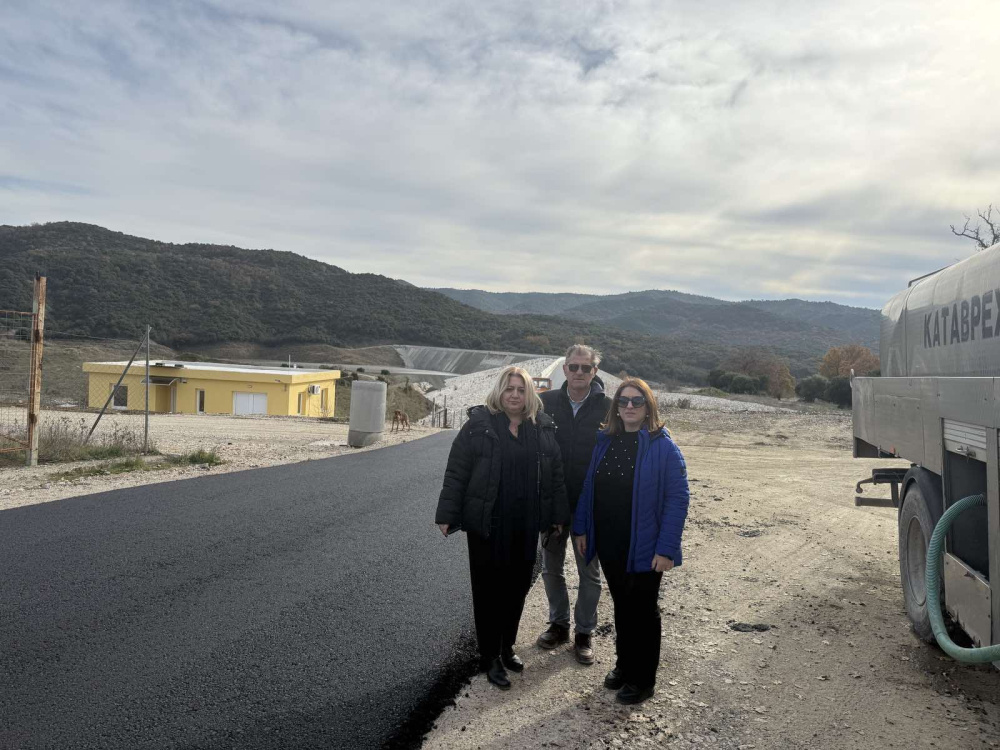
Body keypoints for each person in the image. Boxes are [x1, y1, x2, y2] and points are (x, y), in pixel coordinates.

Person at [435, 366, 569, 690]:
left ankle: (507, 645)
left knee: (517, 587)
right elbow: (457, 470)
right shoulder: (479, 425)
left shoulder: (541, 428)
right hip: (488, 523)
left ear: (529, 394)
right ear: (499, 391)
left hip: (525, 523)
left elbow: (554, 475)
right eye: (509, 388)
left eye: (521, 389)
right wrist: (447, 512)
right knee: (488, 591)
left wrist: (556, 516)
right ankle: (489, 656)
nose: (514, 395)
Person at [572, 378, 690, 705]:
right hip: (610, 542)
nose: (629, 406)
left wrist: (666, 549)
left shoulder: (663, 447)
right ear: (615, 407)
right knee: (623, 606)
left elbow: (678, 499)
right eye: (623, 401)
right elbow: (589, 487)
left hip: (645, 545)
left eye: (637, 401)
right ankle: (624, 666)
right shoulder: (606, 442)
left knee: (643, 611)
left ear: (648, 407)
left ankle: (643, 679)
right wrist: (581, 528)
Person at [536, 344, 614, 665]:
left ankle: (584, 632)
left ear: (594, 371)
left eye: (586, 367)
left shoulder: (608, 408)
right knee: (550, 568)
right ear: (565, 369)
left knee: (589, 574)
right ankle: (559, 625)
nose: (579, 372)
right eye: (573, 366)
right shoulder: (545, 403)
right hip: (553, 503)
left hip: (589, 507)